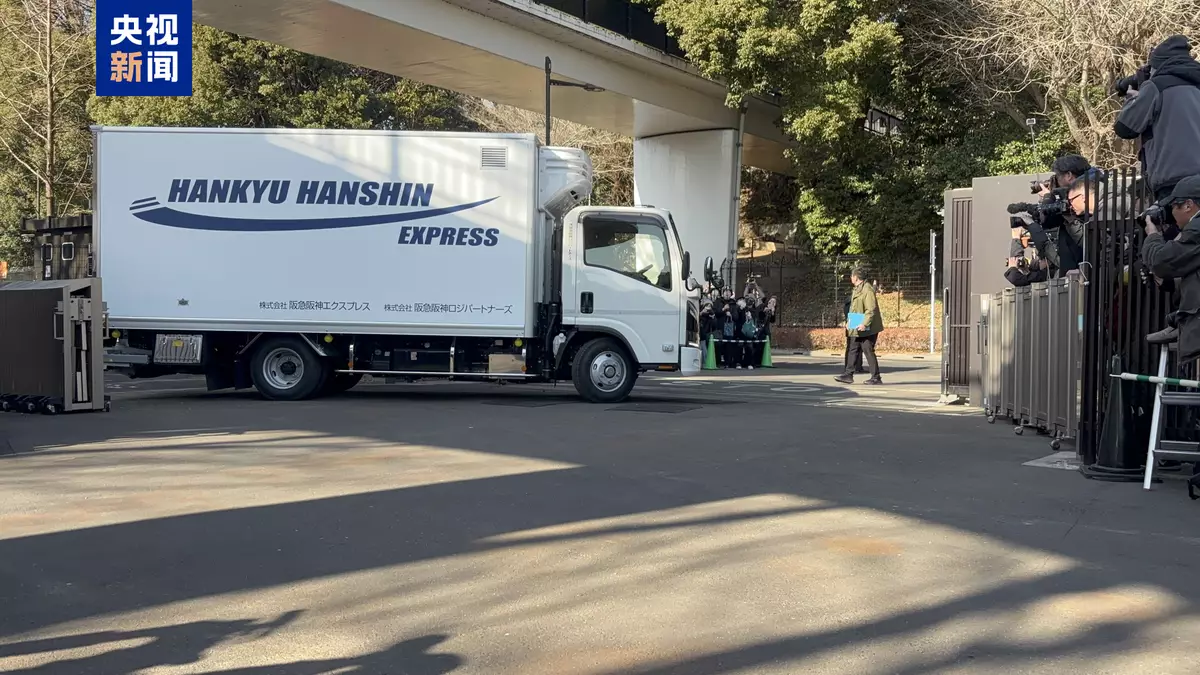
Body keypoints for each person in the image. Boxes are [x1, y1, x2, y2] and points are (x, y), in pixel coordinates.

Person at [1114, 35, 1200, 206]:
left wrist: (1133, 99)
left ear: (1158, 65)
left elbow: (1124, 128)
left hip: (1173, 179)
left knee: (1176, 223)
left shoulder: (1156, 86)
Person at [1140, 175, 1200, 360]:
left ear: (1188, 205)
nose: (1171, 213)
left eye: (1174, 206)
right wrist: (1168, 281)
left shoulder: (1197, 229)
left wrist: (1153, 236)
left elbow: (1161, 261)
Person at [835, 267, 884, 385]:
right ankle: (848, 374)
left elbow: (871, 309)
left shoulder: (867, 290)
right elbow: (854, 308)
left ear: (856, 277)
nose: (850, 278)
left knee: (867, 349)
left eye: (852, 276)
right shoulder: (857, 289)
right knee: (853, 348)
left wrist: (864, 324)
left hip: (868, 326)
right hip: (857, 323)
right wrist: (849, 321)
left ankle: (876, 377)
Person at [841, 297, 866, 374]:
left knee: (850, 348)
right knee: (856, 347)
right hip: (855, 324)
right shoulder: (854, 305)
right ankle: (857, 367)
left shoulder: (846, 305)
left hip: (849, 327)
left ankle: (849, 366)